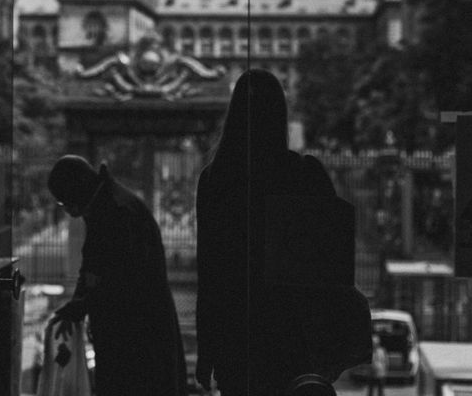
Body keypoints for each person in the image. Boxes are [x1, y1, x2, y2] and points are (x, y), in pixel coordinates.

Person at [195, 69, 372, 396]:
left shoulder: (215, 182)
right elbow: (331, 265)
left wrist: (206, 356)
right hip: (294, 337)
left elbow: (210, 274)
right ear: (280, 115)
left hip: (237, 338)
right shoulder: (305, 174)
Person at [47, 154, 187, 396]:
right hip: (134, 342)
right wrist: (79, 302)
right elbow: (95, 269)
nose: (66, 211)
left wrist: (82, 304)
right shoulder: (106, 205)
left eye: (63, 203)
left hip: (136, 347)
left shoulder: (117, 214)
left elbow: (123, 285)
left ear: (75, 193)